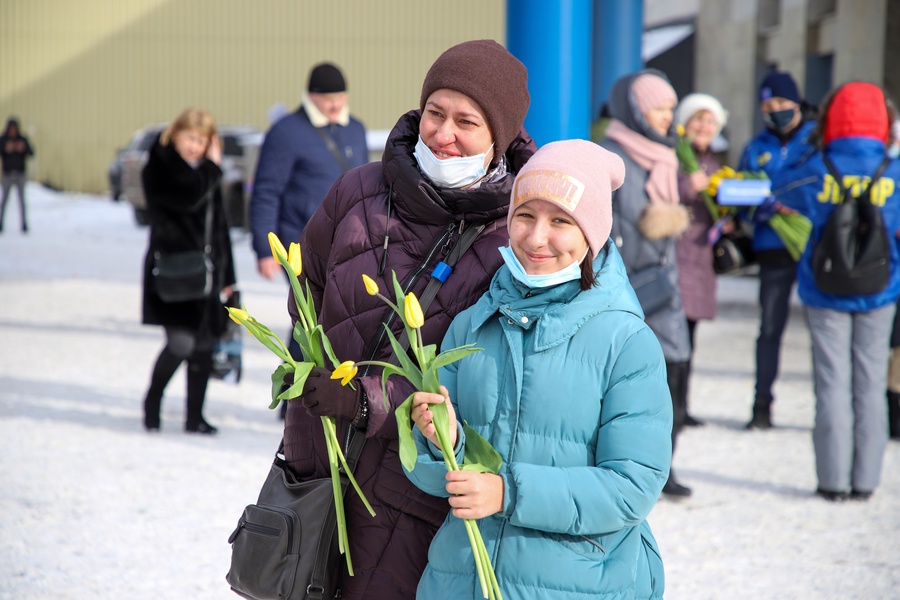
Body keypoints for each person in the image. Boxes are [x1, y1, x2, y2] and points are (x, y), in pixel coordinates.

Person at [282, 40, 534, 598]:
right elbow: (309, 281)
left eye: (466, 122)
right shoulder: (358, 191)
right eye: (435, 113)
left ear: (500, 137)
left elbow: (489, 372)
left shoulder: (514, 232)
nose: (444, 134)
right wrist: (306, 372)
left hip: (412, 483)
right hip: (321, 452)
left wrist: (371, 398)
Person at [406, 139, 671, 599]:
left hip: (576, 584)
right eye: (525, 215)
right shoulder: (472, 324)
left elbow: (632, 486)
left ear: (593, 233)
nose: (535, 237)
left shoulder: (626, 342)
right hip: (460, 578)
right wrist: (441, 442)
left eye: (561, 221)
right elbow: (433, 475)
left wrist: (508, 493)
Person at [774, 81, 900, 501]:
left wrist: (812, 143)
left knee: (831, 384)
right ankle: (865, 481)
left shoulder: (816, 163)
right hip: (881, 288)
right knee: (869, 383)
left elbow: (778, 188)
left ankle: (832, 481)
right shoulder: (894, 166)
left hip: (824, 287)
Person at [249, 62, 369, 417]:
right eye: (326, 99)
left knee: (327, 320)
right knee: (310, 316)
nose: (334, 105)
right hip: (298, 246)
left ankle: (312, 394)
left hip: (348, 245)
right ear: (311, 96)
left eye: (340, 98)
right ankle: (294, 399)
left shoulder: (356, 129)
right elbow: (266, 192)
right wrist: (263, 248)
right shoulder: (286, 132)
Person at [598, 69, 693, 498]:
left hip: (662, 289)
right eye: (659, 108)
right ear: (636, 110)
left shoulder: (665, 155)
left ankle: (662, 467)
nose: (666, 117)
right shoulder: (612, 155)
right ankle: (623, 466)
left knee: (670, 378)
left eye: (671, 109)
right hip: (626, 289)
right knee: (625, 385)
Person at [140, 108, 236, 434]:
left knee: (204, 347)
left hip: (207, 272)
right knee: (181, 344)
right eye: (190, 138)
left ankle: (194, 416)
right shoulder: (160, 165)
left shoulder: (206, 172)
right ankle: (153, 398)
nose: (195, 146)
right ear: (175, 133)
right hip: (172, 271)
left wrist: (229, 280)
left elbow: (219, 228)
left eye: (203, 140)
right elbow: (187, 197)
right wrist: (212, 166)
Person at [739, 70, 817, 430]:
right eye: (768, 105)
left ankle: (827, 410)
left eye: (782, 103)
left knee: (823, 329)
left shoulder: (817, 142)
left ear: (797, 103)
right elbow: (736, 198)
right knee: (770, 328)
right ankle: (761, 406)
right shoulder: (754, 149)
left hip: (815, 247)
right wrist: (761, 205)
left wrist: (797, 206)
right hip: (772, 247)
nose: (775, 111)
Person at [674, 93, 730, 428]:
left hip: (701, 260)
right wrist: (686, 186)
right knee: (672, 337)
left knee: (690, 336)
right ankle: (673, 407)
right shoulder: (675, 158)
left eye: (710, 121)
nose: (704, 126)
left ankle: (683, 404)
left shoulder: (716, 165)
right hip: (678, 258)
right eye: (698, 119)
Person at [0, 117, 35, 233]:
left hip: (20, 173)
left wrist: (23, 148)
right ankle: (1, 223)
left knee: (22, 201)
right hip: (8, 174)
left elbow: (31, 153)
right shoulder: (3, 139)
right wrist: (6, 149)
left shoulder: (22, 139)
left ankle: (24, 224)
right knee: (4, 200)